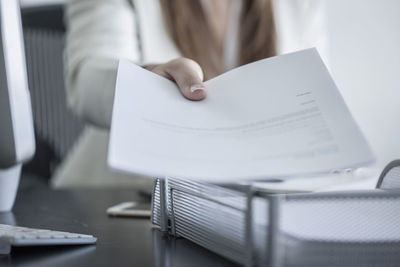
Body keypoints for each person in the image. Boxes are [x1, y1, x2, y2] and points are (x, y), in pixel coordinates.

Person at [52, 0, 328, 188]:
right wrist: (146, 83)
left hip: (252, 209)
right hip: (117, 204)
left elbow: (318, 95)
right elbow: (87, 82)